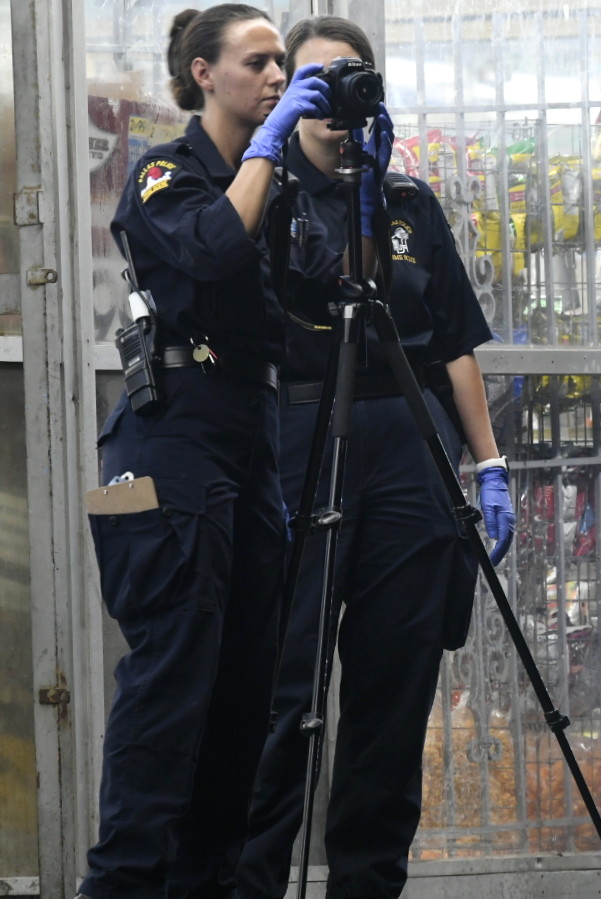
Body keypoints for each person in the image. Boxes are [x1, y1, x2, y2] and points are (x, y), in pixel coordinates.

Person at [234, 15, 515, 899]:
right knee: (285, 697)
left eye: (352, 80)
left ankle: (366, 883)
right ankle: (249, 883)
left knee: (393, 700)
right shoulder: (261, 199)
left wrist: (491, 465)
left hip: (408, 451)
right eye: (314, 82)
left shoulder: (408, 205)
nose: (336, 100)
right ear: (284, 96)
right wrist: (271, 159)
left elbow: (455, 344)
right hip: (301, 446)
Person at [77, 6, 353, 898]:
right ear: (203, 72)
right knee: (170, 681)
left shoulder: (273, 184)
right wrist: (272, 150)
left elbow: (322, 293)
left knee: (246, 696)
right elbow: (208, 251)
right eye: (258, 62)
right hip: (164, 446)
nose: (278, 76)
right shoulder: (166, 172)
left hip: (248, 440)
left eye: (284, 65)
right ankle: (122, 886)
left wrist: (353, 169)